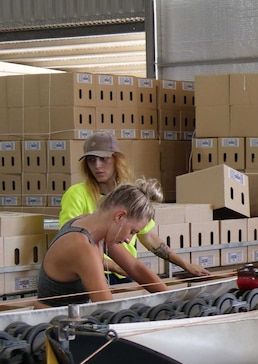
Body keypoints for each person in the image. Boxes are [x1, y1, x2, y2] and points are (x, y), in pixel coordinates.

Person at [60, 131, 209, 284]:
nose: (97, 166)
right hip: (93, 273)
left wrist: (185, 265)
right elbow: (71, 240)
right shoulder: (76, 194)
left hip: (125, 273)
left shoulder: (129, 195)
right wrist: (116, 266)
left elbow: (149, 237)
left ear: (117, 160)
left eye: (104, 159)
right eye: (92, 160)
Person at [38, 179, 169, 307]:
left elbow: (135, 268)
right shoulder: (82, 247)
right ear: (119, 216)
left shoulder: (92, 225)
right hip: (48, 324)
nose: (129, 239)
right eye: (132, 231)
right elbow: (106, 308)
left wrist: (170, 299)